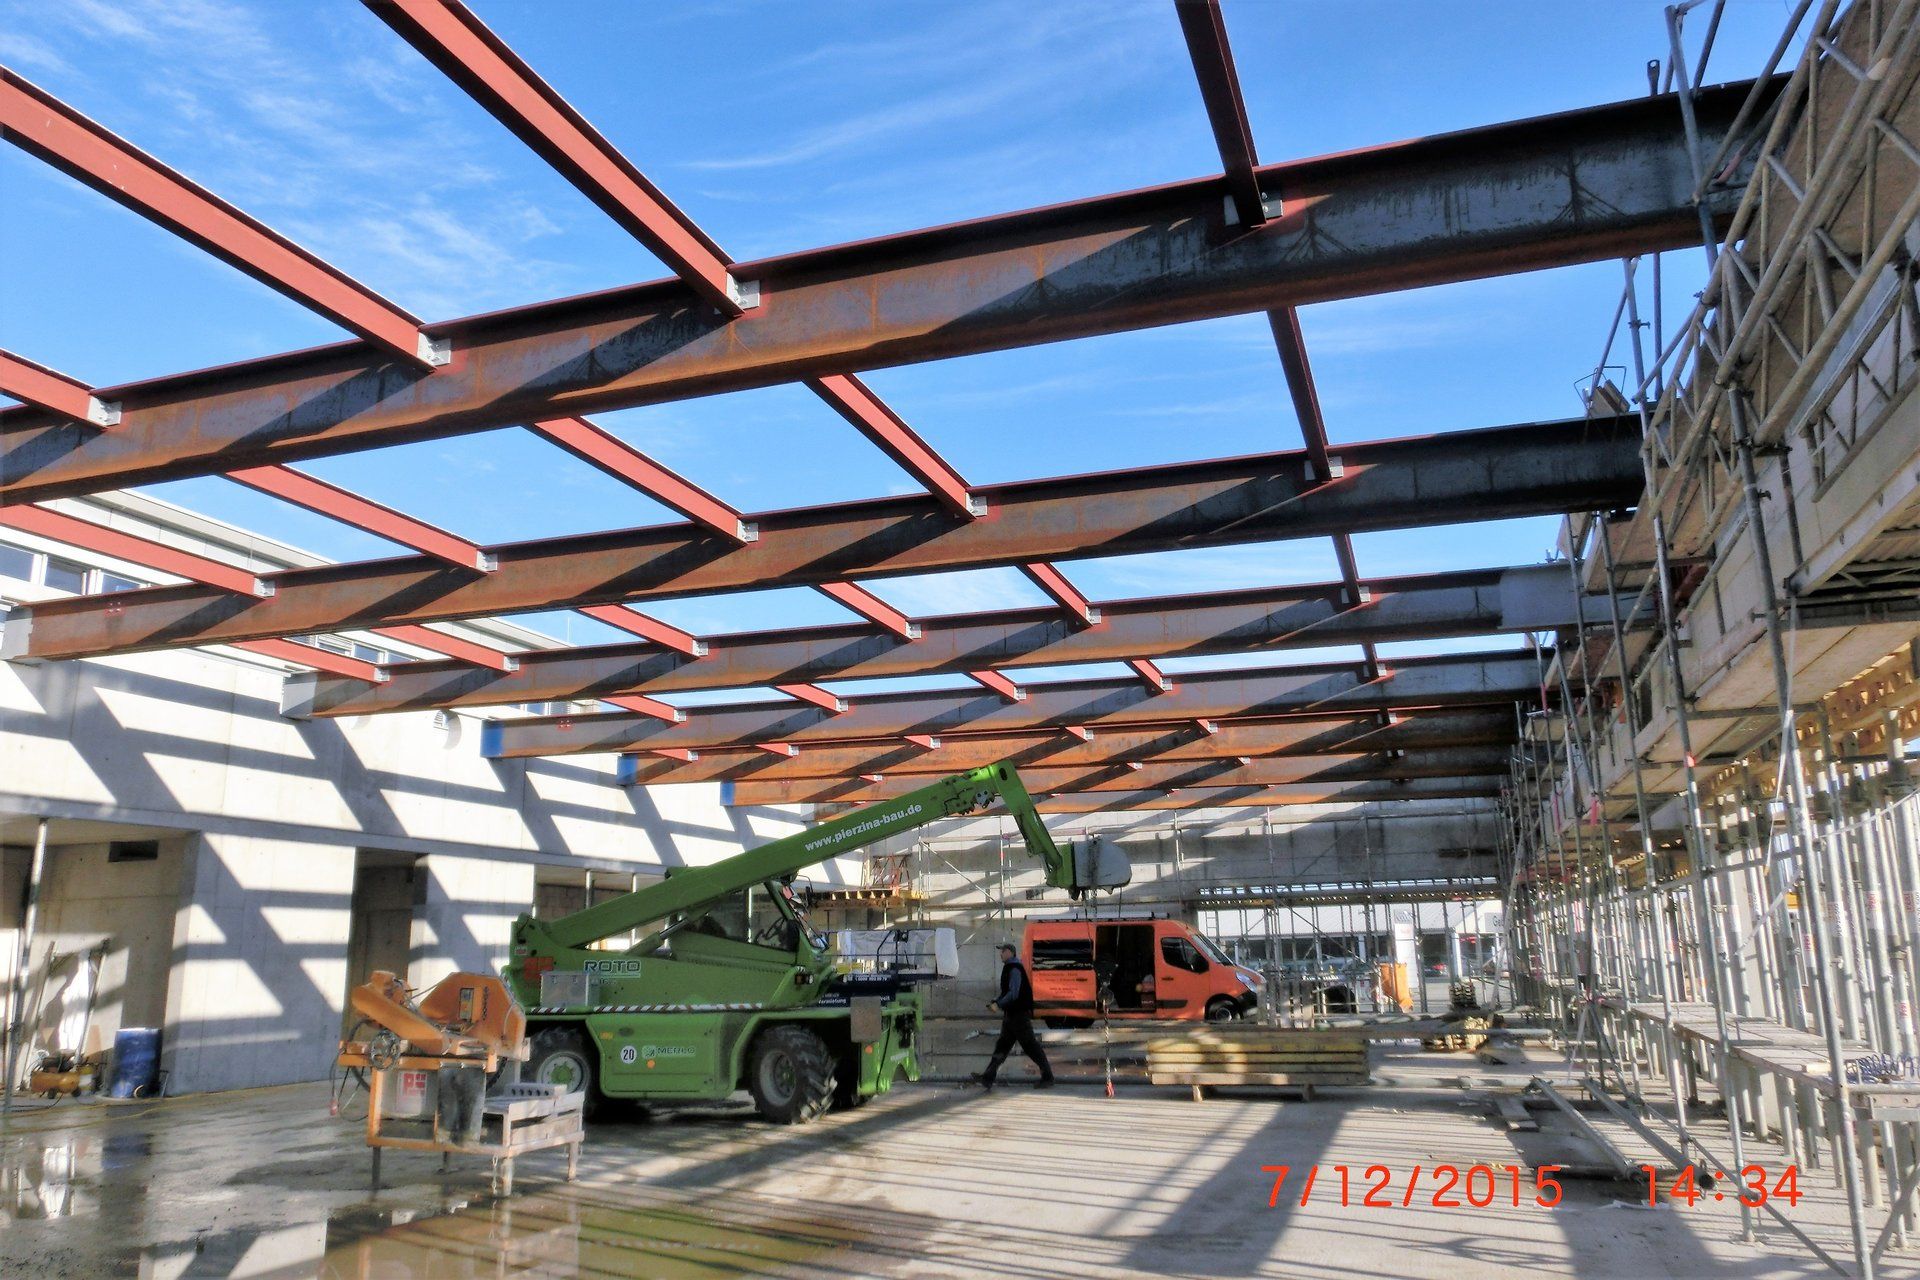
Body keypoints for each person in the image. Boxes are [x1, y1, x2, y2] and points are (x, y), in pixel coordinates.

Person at [975, 942, 1054, 1089]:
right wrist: (996, 1001)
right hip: (1011, 1016)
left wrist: (998, 1004)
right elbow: (1008, 993)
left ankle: (1048, 1077)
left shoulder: (1015, 969)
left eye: (1003, 951)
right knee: (1002, 1047)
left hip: (1019, 1016)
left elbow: (1014, 993)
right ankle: (987, 1078)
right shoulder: (1010, 968)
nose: (1000, 954)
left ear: (1010, 952)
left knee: (1030, 1046)